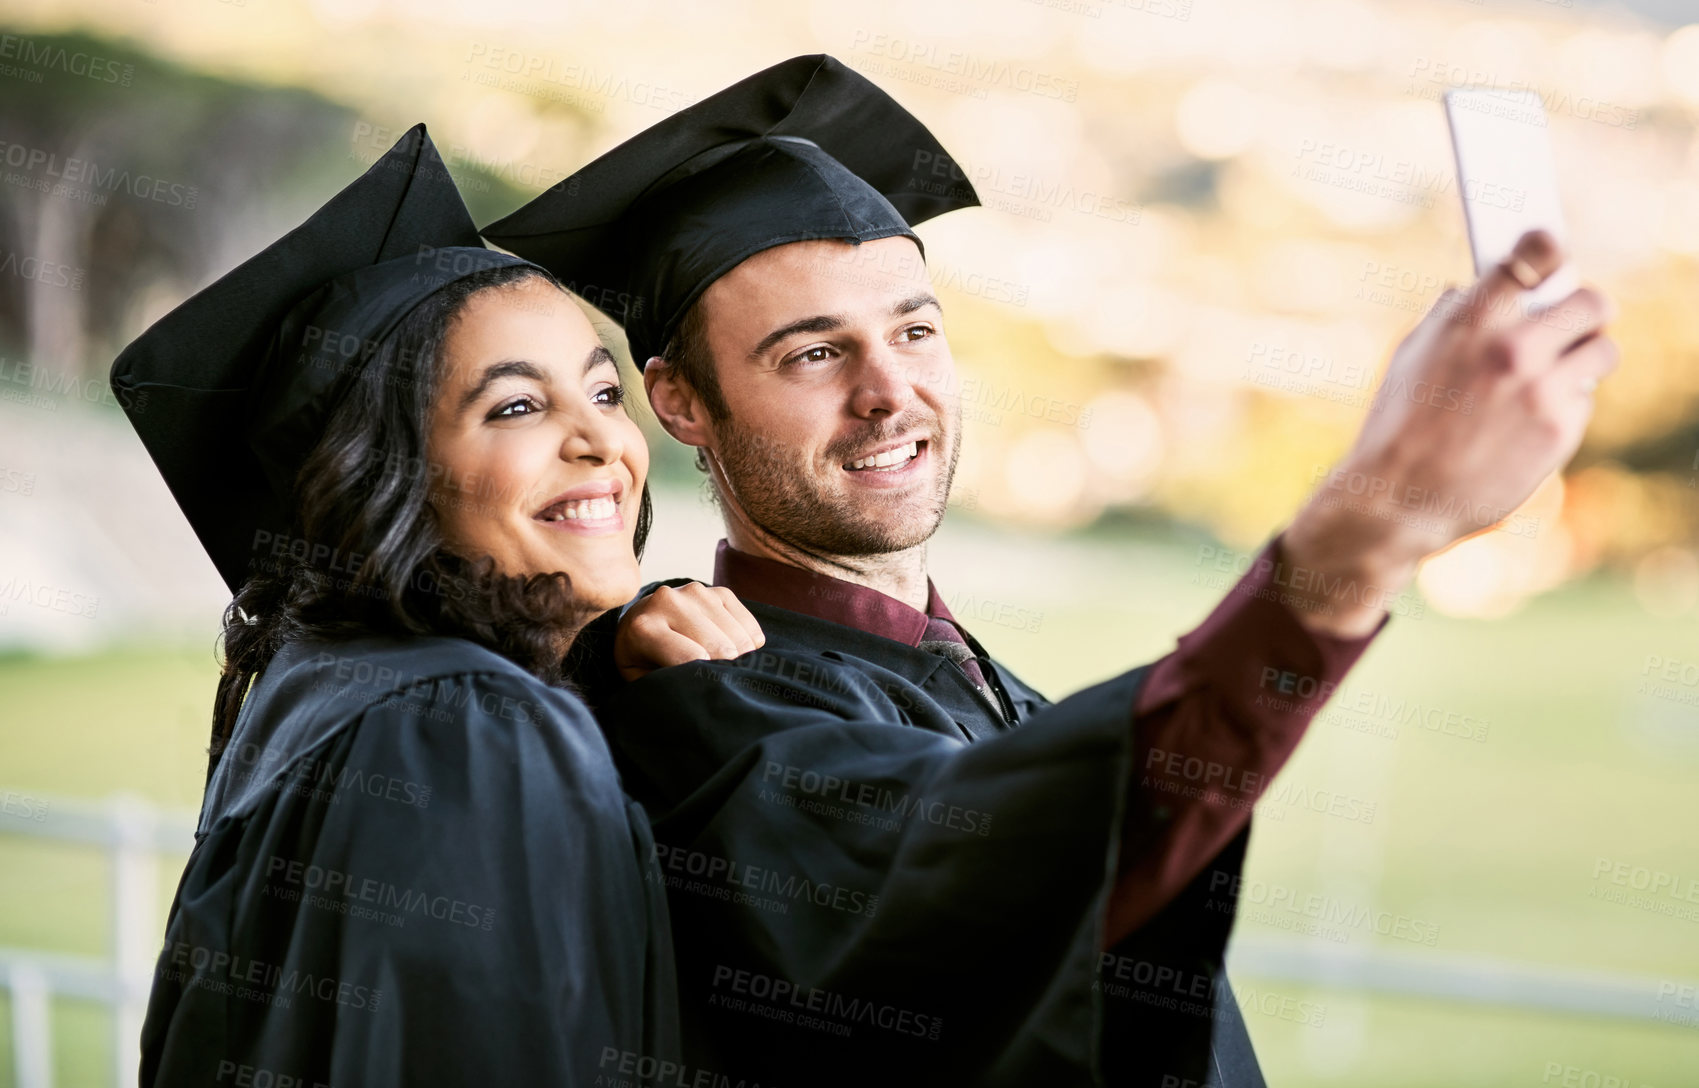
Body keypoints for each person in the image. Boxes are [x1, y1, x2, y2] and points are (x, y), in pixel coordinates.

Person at [483, 56, 1619, 1087]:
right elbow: (988, 889)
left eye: (915, 331)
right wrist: (1368, 528)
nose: (890, 391)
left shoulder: (967, 677)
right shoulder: (711, 709)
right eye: (816, 352)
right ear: (678, 399)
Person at [112, 125, 763, 1086]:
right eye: (515, 407)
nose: (599, 442)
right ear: (389, 475)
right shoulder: (465, 732)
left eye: (602, 389)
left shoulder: (329, 693)